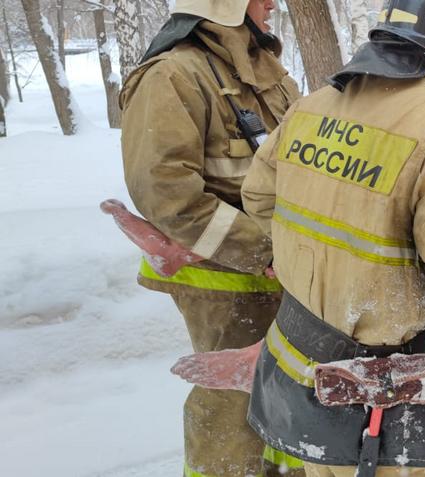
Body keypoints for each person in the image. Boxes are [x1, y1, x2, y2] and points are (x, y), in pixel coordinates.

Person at [237, 1, 425, 476]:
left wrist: (330, 274)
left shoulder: (313, 104)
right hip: (388, 411)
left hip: (302, 386)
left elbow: (259, 198)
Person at [118, 0, 303, 475]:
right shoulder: (173, 75)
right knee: (232, 411)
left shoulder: (264, 70)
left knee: (287, 397)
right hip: (222, 280)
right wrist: (264, 249)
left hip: (284, 271)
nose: (273, 5)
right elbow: (167, 194)